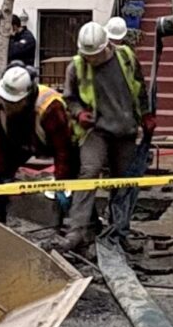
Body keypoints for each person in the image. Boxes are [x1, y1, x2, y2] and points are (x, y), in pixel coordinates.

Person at [62, 21, 151, 251]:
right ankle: (77, 230)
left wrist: (147, 114)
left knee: (123, 182)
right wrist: (79, 113)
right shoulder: (77, 66)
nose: (91, 59)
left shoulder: (126, 58)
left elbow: (140, 87)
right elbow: (69, 98)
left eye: (96, 54)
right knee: (89, 173)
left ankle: (119, 231)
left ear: (106, 47)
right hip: (96, 130)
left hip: (125, 129)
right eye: (87, 55)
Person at [0, 64, 75, 222]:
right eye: (7, 101)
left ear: (26, 98)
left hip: (51, 142)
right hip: (19, 141)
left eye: (14, 103)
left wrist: (62, 180)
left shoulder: (50, 107)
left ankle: (82, 223)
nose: (8, 106)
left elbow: (63, 150)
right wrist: (5, 174)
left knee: (77, 177)